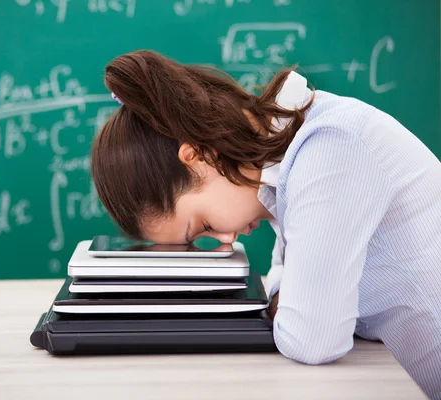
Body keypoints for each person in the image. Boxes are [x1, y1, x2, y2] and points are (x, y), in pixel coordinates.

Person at [90, 49, 441, 398]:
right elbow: (281, 272)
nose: (225, 239)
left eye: (204, 224)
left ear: (197, 157)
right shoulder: (283, 167)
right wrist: (285, 297)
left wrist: (289, 301)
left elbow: (313, 340)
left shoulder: (328, 149)